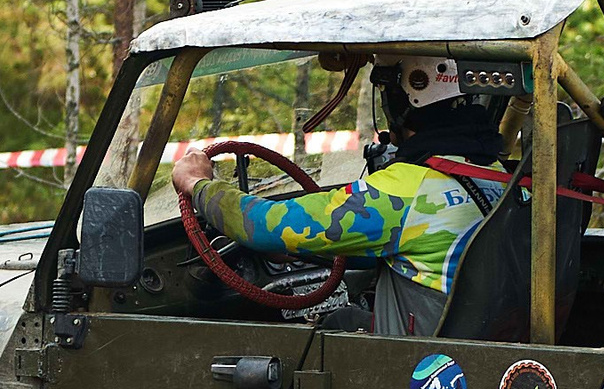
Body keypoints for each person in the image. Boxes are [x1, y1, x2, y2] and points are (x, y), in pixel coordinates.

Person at [170, 57, 506, 336]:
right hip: (481, 353)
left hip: (419, 374)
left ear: (400, 105)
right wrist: (309, 251)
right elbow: (414, 248)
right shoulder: (503, 177)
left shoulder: (404, 190)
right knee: (343, 321)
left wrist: (198, 184)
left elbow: (265, 225)